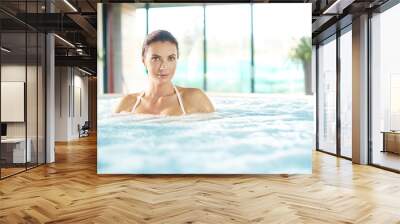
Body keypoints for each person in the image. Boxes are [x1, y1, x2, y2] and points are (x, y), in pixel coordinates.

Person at [114, 30, 215, 116]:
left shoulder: (195, 99)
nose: (163, 67)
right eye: (156, 58)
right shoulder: (127, 104)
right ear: (143, 60)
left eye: (171, 58)